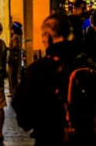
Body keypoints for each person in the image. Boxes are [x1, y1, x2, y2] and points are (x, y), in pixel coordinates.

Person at [12, 13, 80, 146]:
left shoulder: (40, 68)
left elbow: (23, 109)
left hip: (51, 137)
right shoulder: (88, 63)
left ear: (47, 36)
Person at [7, 21, 22, 97]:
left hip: (13, 59)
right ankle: (15, 92)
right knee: (15, 75)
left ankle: (13, 92)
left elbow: (15, 47)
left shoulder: (15, 38)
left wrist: (7, 48)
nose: (11, 30)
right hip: (16, 58)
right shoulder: (19, 37)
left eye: (11, 29)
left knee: (12, 76)